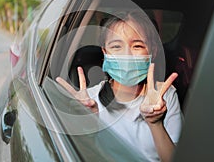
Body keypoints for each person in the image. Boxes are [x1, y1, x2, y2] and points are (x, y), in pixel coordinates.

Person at [56, 10, 183, 162]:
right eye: (116, 47)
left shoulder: (165, 95)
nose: (127, 55)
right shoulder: (88, 101)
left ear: (153, 51)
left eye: (137, 46)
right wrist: (88, 126)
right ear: (105, 52)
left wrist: (155, 123)